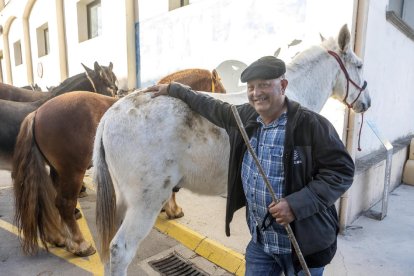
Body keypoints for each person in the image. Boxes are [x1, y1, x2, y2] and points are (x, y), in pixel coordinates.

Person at [145, 56, 354, 276]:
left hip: (302, 247)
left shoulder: (312, 125)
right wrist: (174, 89)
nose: (256, 93)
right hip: (261, 244)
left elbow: (342, 171)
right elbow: (211, 106)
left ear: (283, 85)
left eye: (264, 84)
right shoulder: (245, 117)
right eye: (251, 87)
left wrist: (296, 205)